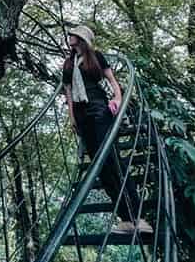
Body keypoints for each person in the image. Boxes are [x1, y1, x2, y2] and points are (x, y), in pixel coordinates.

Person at [62, 25, 151, 234]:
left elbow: (112, 81)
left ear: (82, 38)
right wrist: (72, 118)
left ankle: (138, 217)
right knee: (100, 168)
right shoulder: (68, 64)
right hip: (82, 116)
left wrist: (118, 99)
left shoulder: (96, 57)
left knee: (111, 160)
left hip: (99, 109)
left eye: (74, 34)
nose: (70, 37)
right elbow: (68, 93)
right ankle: (126, 219)